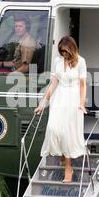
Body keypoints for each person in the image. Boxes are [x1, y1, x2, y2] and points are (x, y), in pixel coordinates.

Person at [34, 36, 88, 183]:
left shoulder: (81, 62)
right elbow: (53, 84)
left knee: (67, 133)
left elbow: (83, 85)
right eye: (61, 51)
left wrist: (82, 103)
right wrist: (42, 103)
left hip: (73, 99)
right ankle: (63, 155)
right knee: (53, 128)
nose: (63, 54)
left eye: (65, 51)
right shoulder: (58, 62)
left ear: (71, 50)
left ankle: (68, 168)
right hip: (59, 98)